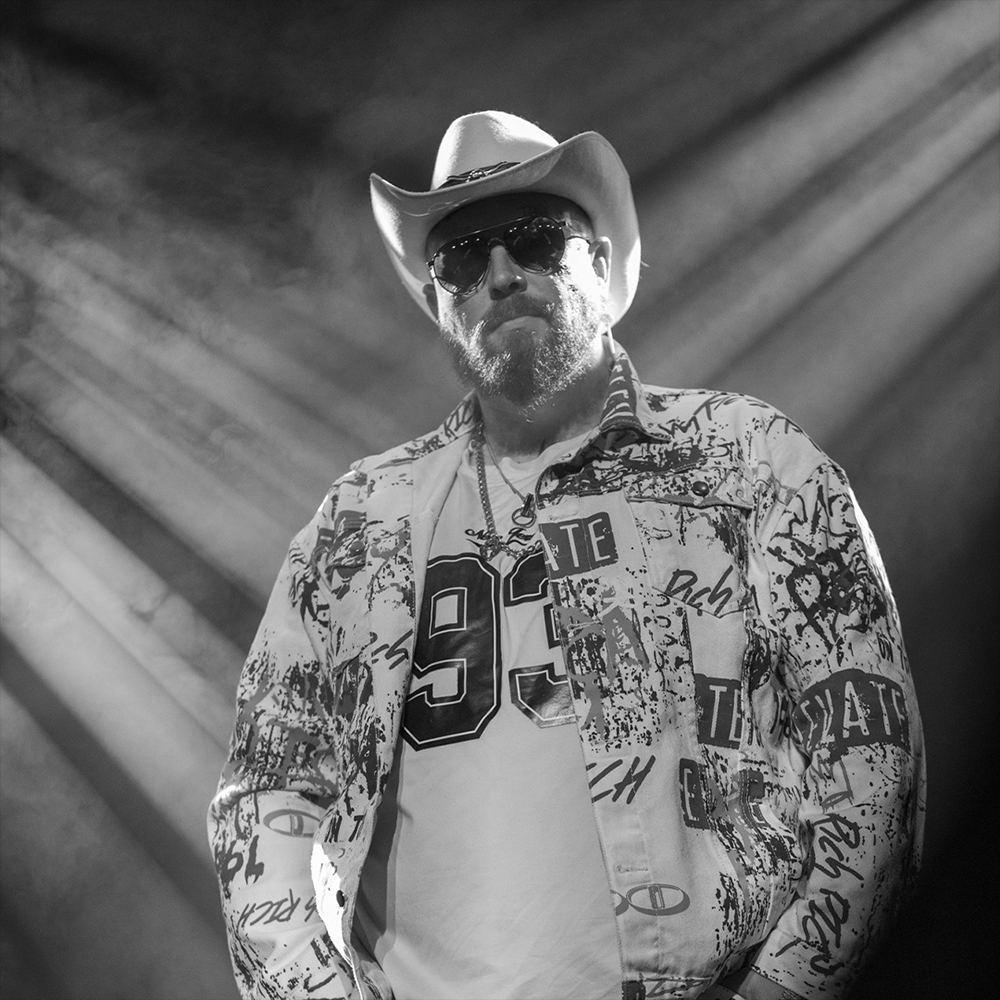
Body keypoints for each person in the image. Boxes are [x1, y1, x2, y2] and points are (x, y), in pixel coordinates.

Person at [208, 111, 925, 1000]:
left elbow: (873, 767)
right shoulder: (358, 523)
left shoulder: (751, 462)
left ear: (601, 261)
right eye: (463, 259)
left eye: (536, 239)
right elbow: (262, 805)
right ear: (440, 300)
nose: (501, 275)